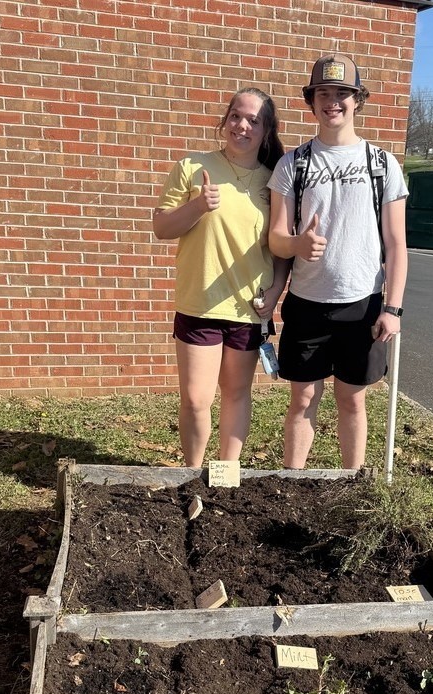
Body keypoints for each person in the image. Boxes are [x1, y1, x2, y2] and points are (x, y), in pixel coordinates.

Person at [268, 53, 409, 469]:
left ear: (358, 100)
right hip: (307, 303)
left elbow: (397, 245)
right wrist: (296, 245)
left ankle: (352, 485)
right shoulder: (292, 164)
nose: (333, 102)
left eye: (343, 94)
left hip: (362, 304)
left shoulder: (382, 165)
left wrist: (393, 308)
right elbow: (276, 239)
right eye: (324, 94)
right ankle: (292, 482)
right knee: (303, 398)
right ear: (311, 101)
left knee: (352, 399)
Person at [153, 88, 289, 467]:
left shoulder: (274, 182)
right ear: (225, 120)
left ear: (266, 130)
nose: (242, 126)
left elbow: (278, 247)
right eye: (235, 116)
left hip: (248, 308)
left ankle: (226, 475)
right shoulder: (192, 167)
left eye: (253, 120)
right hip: (200, 303)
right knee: (196, 399)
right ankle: (192, 473)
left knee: (236, 394)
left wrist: (276, 290)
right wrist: (198, 205)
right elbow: (161, 227)